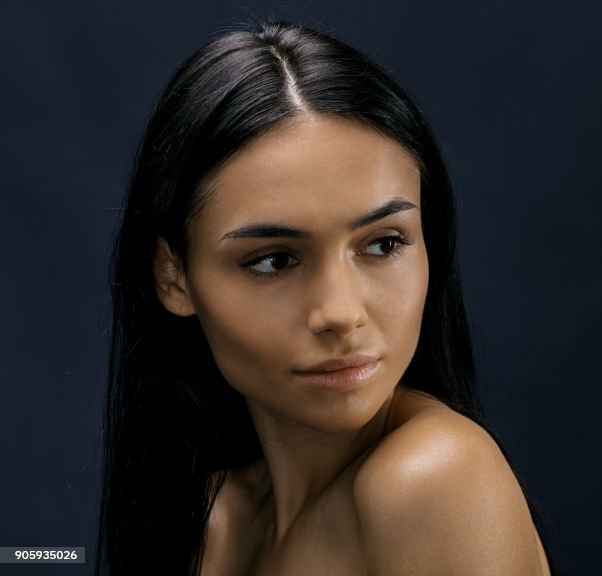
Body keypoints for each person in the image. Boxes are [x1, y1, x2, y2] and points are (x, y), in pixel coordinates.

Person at [97, 20, 554, 576]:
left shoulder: (432, 478)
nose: (340, 313)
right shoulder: (213, 518)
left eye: (384, 244)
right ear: (174, 278)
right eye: (274, 260)